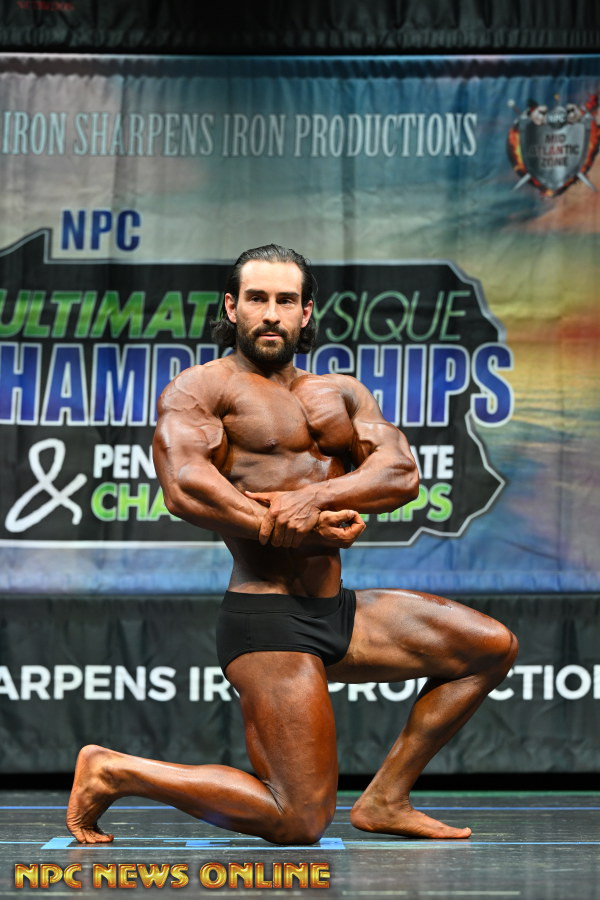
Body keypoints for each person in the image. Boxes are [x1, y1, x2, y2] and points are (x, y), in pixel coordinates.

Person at [66, 244, 517, 845]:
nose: (271, 313)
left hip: (336, 609)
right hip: (268, 619)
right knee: (300, 818)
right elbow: (184, 485)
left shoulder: (343, 393)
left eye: (286, 300)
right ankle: (113, 770)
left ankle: (386, 798)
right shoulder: (203, 388)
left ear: (306, 313)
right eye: (257, 299)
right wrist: (281, 523)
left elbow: (401, 473)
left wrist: (317, 499)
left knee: (489, 648)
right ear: (233, 307)